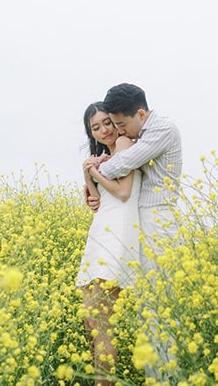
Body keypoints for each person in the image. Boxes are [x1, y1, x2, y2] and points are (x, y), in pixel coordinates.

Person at [87, 83, 183, 380]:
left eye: (121, 124)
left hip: (158, 223)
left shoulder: (161, 129)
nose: (120, 132)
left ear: (140, 113)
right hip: (144, 224)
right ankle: (156, 376)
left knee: (159, 312)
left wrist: (94, 166)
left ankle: (166, 377)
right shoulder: (140, 133)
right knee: (148, 312)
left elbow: (121, 165)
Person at [76, 101, 142, 386]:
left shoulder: (126, 144)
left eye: (107, 122)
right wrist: (87, 173)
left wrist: (95, 172)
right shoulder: (109, 156)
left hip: (116, 233)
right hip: (101, 229)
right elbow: (96, 202)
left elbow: (124, 193)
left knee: (101, 324)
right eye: (96, 127)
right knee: (92, 322)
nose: (104, 130)